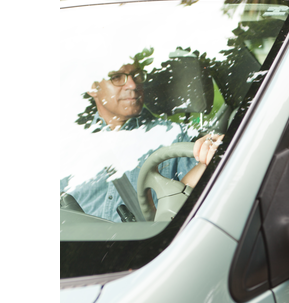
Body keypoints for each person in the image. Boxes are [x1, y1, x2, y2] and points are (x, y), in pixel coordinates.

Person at [60, 59, 216, 222]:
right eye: (117, 77)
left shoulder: (173, 136)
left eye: (137, 76)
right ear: (92, 87)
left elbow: (189, 197)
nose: (133, 85)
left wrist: (209, 159)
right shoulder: (69, 147)